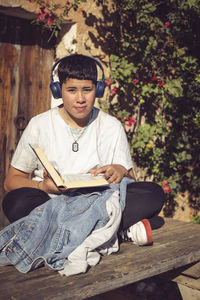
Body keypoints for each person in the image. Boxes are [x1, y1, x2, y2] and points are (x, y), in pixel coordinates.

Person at [3, 54, 165, 246]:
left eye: (87, 90)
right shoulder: (39, 124)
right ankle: (110, 232)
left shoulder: (111, 126)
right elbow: (11, 181)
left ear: (97, 90)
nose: (80, 99)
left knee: (153, 193)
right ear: (58, 90)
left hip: (99, 203)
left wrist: (120, 171)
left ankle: (62, 234)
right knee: (14, 201)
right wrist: (43, 187)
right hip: (52, 202)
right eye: (72, 90)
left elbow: (130, 181)